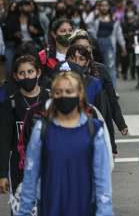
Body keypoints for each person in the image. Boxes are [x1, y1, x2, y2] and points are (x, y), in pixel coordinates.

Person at [15, 72, 113, 216]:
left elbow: (102, 178)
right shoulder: (42, 129)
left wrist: (105, 212)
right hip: (50, 207)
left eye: (69, 91)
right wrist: (23, 212)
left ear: (80, 94)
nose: (64, 96)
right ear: (52, 96)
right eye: (58, 92)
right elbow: (30, 177)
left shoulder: (95, 129)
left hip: (85, 207)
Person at [0, 55, 50, 200]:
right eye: (22, 73)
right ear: (15, 76)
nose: (27, 76)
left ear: (38, 73)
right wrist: (3, 173)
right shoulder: (10, 104)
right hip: (19, 169)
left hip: (49, 165)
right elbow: (3, 141)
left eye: (30, 72)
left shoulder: (50, 99)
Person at [84, 0, 127, 91]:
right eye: (102, 5)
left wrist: (123, 46)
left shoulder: (114, 18)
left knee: (110, 67)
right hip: (97, 43)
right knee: (96, 67)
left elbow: (119, 33)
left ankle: (114, 90)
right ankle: (98, 90)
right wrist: (94, 16)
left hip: (109, 44)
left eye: (106, 5)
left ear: (109, 7)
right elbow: (87, 22)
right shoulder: (95, 14)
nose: (104, 8)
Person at [121, 5, 139, 80]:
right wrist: (127, 35)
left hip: (134, 43)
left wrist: (133, 34)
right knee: (125, 59)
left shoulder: (136, 22)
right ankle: (124, 73)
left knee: (134, 59)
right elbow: (121, 32)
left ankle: (133, 73)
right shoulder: (124, 23)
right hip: (126, 43)